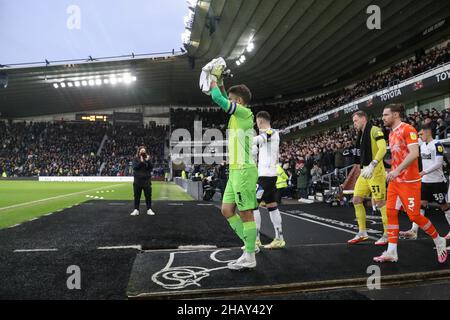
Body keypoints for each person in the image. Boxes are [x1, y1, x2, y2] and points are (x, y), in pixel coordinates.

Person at [373, 104, 447, 263]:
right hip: (395, 181)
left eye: (386, 114)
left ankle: (438, 239)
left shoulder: (408, 129)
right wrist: (388, 169)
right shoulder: (392, 132)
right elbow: (398, 157)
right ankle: (392, 252)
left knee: (414, 215)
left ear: (396, 114)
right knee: (391, 213)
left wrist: (397, 170)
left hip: (410, 181)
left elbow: (414, 154)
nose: (383, 117)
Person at [210, 66, 258, 271]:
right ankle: (250, 245)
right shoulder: (237, 114)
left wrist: (211, 80)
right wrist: (220, 81)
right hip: (235, 171)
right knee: (227, 210)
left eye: (231, 99)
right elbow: (222, 96)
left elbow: (219, 99)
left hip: (244, 171)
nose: (228, 101)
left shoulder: (245, 113)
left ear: (238, 101)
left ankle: (249, 255)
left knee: (246, 213)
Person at [400, 124, 450, 240]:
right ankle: (414, 231)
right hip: (425, 182)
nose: (420, 136)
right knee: (420, 205)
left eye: (421, 134)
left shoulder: (437, 144)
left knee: (444, 206)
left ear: (428, 133)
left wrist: (423, 172)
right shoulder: (422, 145)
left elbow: (438, 163)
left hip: (437, 182)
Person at [348, 111, 389, 246]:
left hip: (375, 171)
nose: (354, 123)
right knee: (356, 199)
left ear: (363, 118)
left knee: (380, 202)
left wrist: (373, 164)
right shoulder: (360, 135)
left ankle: (388, 234)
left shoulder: (375, 130)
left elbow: (383, 149)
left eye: (355, 120)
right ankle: (362, 232)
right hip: (365, 171)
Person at [252, 111, 286, 250]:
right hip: (269, 176)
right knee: (272, 206)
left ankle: (256, 240)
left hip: (265, 177)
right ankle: (279, 238)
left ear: (260, 121)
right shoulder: (268, 136)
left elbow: (255, 141)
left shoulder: (271, 132)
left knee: (252, 205)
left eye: (257, 122)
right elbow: (256, 148)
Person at [130, 146, 156, 216]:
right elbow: (135, 168)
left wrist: (147, 161)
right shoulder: (135, 159)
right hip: (137, 181)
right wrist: (141, 162)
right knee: (136, 196)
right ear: (139, 152)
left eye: (144, 151)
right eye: (141, 151)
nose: (142, 153)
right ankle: (136, 210)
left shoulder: (148, 158)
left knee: (148, 196)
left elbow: (151, 167)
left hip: (146, 181)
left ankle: (149, 209)